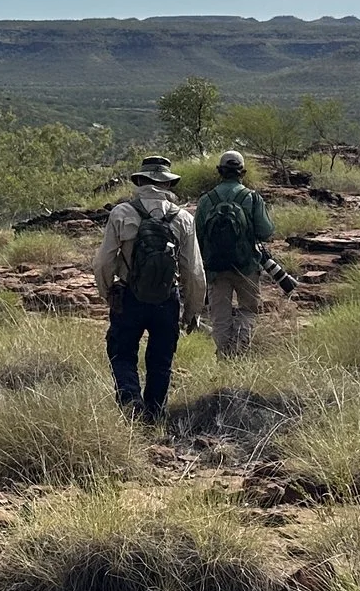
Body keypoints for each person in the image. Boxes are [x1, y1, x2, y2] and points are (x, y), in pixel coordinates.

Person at [92, 154, 206, 421]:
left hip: (130, 295)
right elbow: (194, 271)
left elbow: (103, 262)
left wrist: (108, 293)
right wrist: (192, 310)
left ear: (141, 181)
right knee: (161, 361)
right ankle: (154, 417)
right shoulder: (184, 219)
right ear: (167, 184)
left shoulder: (122, 213)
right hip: (167, 299)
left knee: (121, 352)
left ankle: (130, 399)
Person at [194, 149, 277, 357]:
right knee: (248, 310)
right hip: (246, 266)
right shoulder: (252, 198)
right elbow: (266, 232)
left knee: (220, 316)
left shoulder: (206, 200)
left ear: (219, 171)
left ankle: (224, 355)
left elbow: (196, 235)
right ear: (243, 172)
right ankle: (238, 352)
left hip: (214, 269)